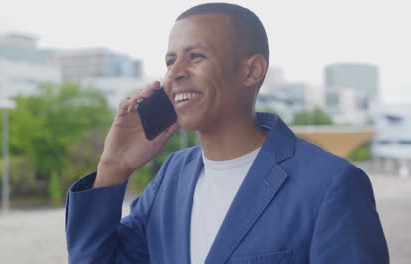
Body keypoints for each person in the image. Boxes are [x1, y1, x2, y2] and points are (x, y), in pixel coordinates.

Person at [65, 3, 389, 263]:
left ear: (251, 70)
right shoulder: (172, 177)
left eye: (195, 56)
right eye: (169, 60)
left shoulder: (332, 185)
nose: (174, 72)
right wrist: (113, 168)